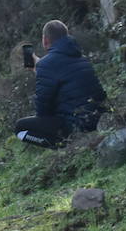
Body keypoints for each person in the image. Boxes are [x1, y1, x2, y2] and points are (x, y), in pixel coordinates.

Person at [14, 20, 106, 148]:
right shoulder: (81, 58)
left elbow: (42, 111)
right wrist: (39, 70)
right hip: (97, 118)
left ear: (45, 40)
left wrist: (41, 68)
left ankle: (62, 146)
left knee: (20, 128)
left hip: (75, 125)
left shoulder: (47, 65)